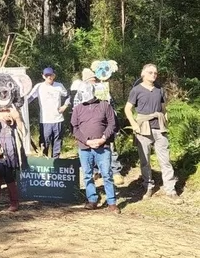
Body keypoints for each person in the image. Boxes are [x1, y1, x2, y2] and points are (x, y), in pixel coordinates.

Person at [124, 64, 183, 204]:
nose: (154, 75)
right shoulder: (136, 90)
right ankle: (148, 186)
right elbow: (127, 109)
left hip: (159, 128)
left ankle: (170, 189)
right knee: (145, 160)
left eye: (156, 73)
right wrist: (133, 124)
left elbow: (163, 108)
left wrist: (165, 120)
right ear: (143, 74)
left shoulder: (160, 89)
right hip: (143, 127)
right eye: (151, 72)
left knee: (165, 160)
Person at [71, 82, 120, 214]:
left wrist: (103, 138)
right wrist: (87, 141)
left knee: (107, 174)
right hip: (85, 147)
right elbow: (74, 128)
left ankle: (111, 202)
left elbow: (112, 123)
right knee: (87, 175)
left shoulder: (105, 105)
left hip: (102, 146)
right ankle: (92, 200)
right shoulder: (77, 109)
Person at [73, 68, 124, 185]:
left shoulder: (104, 89)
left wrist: (107, 100)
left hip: (106, 127)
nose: (93, 83)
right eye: (90, 81)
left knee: (110, 149)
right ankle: (95, 171)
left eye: (94, 80)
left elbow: (113, 106)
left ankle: (115, 172)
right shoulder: (80, 93)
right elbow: (76, 110)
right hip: (88, 129)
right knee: (90, 151)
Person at [28, 67, 70, 158]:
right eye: (46, 75)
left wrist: (65, 106)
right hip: (45, 120)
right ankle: (45, 161)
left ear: (54, 75)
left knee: (57, 142)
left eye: (50, 75)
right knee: (44, 142)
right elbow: (29, 98)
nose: (49, 77)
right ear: (43, 76)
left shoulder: (59, 86)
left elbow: (68, 96)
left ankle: (56, 161)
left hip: (58, 119)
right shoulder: (39, 87)